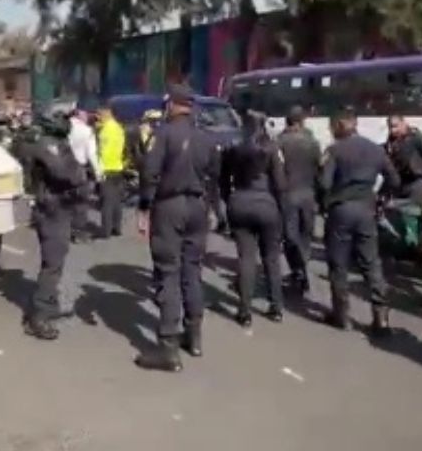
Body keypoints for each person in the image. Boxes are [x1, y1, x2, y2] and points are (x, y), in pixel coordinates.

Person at [135, 84, 221, 372]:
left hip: (169, 206)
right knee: (192, 270)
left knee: (168, 272)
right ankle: (194, 336)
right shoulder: (206, 138)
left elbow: (149, 172)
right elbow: (214, 176)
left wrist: (144, 207)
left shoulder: (163, 134)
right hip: (198, 206)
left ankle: (168, 347)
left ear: (171, 104)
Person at [320, 108, 399, 338]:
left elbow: (324, 184)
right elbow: (394, 179)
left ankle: (342, 316)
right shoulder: (375, 149)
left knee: (338, 263)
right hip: (366, 208)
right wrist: (379, 197)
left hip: (341, 209)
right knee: (371, 263)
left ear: (338, 127)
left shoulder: (334, 150)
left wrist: (327, 199)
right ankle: (381, 317)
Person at [20, 111, 89, 341]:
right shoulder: (48, 145)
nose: (67, 124)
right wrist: (80, 174)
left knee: (56, 260)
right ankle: (39, 316)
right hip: (52, 209)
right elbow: (66, 173)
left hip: (57, 207)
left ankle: (47, 305)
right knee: (53, 262)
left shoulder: (53, 143)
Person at [220, 110, 286, 327]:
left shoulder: (233, 148)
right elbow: (279, 184)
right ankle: (276, 307)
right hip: (266, 203)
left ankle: (245, 310)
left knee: (246, 258)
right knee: (271, 258)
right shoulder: (271, 148)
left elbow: (223, 179)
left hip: (240, 201)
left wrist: (229, 199)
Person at [276, 105, 320, 295]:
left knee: (290, 236)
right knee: (305, 235)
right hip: (308, 193)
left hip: (289, 194)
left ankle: (298, 270)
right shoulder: (313, 142)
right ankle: (302, 267)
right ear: (302, 121)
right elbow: (319, 168)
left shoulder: (281, 141)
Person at [383, 115, 422, 250]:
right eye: (391, 127)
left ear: (404, 124)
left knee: (413, 216)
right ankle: (410, 245)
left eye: (396, 126)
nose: (393, 130)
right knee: (404, 217)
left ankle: (417, 245)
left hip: (415, 182)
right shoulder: (391, 142)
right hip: (401, 183)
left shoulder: (415, 139)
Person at [67, 107, 101, 243]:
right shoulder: (86, 131)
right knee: (80, 202)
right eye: (86, 113)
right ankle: (78, 233)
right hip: (78, 169)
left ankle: (63, 230)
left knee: (64, 202)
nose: (88, 116)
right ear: (80, 114)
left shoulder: (63, 128)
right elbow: (91, 154)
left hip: (61, 167)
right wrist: (98, 172)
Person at [96, 103, 127, 238]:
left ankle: (106, 231)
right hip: (118, 168)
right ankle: (117, 228)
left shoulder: (105, 131)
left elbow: (102, 151)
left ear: (107, 113)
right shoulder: (119, 128)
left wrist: (98, 168)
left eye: (99, 114)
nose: (98, 117)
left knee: (107, 202)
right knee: (117, 201)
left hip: (106, 169)